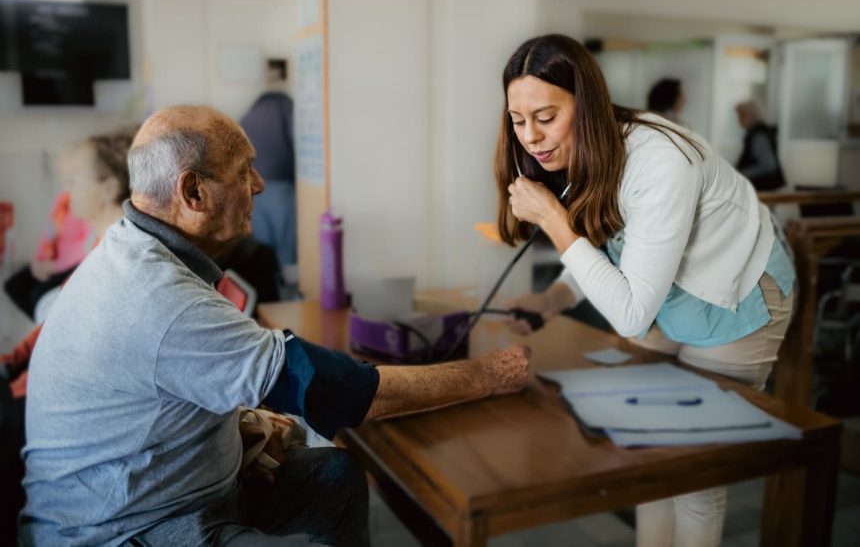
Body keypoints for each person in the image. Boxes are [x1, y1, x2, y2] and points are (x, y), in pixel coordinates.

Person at [19, 105, 530, 547]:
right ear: (193, 191)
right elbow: (341, 391)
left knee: (335, 473)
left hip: (164, 492)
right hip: (128, 530)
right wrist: (487, 375)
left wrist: (239, 425)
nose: (259, 185)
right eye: (245, 172)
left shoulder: (131, 249)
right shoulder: (160, 298)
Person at [497, 35, 795, 547]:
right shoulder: (581, 149)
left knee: (693, 472)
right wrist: (554, 299)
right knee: (648, 451)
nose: (531, 137)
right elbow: (610, 246)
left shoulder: (659, 161)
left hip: (738, 299)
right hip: (665, 297)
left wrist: (551, 218)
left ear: (585, 104)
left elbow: (631, 312)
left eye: (546, 117)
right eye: (519, 121)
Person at [1, 127, 136, 546]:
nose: (66, 190)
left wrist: (23, 373)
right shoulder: (102, 239)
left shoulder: (119, 250)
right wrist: (16, 358)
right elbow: (58, 323)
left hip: (66, 405)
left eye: (75, 178)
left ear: (110, 185)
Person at [3, 152, 91, 321]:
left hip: (71, 264)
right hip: (51, 261)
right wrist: (38, 262)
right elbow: (48, 233)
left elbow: (84, 247)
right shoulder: (62, 199)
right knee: (13, 286)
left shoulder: (84, 201)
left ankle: (46, 331)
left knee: (38, 294)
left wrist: (53, 267)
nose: (65, 180)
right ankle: (42, 331)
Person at [240, 58, 298, 294]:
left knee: (266, 253)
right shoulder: (288, 109)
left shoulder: (248, 115)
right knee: (288, 255)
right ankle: (290, 302)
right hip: (283, 192)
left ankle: (274, 303)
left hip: (254, 194)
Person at [735, 99, 785, 191]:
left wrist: (740, 173)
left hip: (763, 188)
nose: (738, 119)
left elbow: (768, 166)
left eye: (741, 115)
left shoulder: (759, 135)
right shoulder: (755, 134)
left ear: (750, 115)